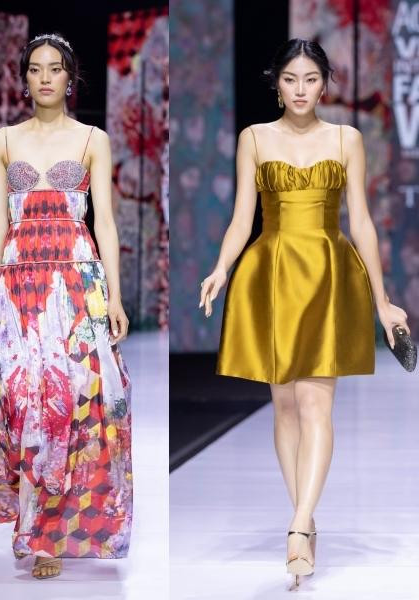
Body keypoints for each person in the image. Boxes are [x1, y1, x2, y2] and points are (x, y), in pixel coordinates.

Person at [199, 39, 410, 589]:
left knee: (317, 402)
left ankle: (296, 527)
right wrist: (221, 268)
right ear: (277, 83)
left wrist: (382, 300)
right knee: (286, 407)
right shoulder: (254, 138)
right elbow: (242, 217)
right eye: (291, 79)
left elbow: (361, 221)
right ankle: (307, 519)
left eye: (310, 79)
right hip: (271, 273)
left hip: (327, 274)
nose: (300, 89)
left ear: (324, 84)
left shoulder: (346, 139)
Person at [0, 32, 133, 580]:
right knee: (20, 405)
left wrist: (114, 294)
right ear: (24, 79)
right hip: (19, 282)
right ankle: (34, 520)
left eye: (55, 68)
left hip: (76, 278)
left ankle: (47, 534)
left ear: (70, 77)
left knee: (75, 399)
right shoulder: (3, 140)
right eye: (35, 68)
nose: (45, 77)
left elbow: (104, 221)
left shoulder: (92, 139)